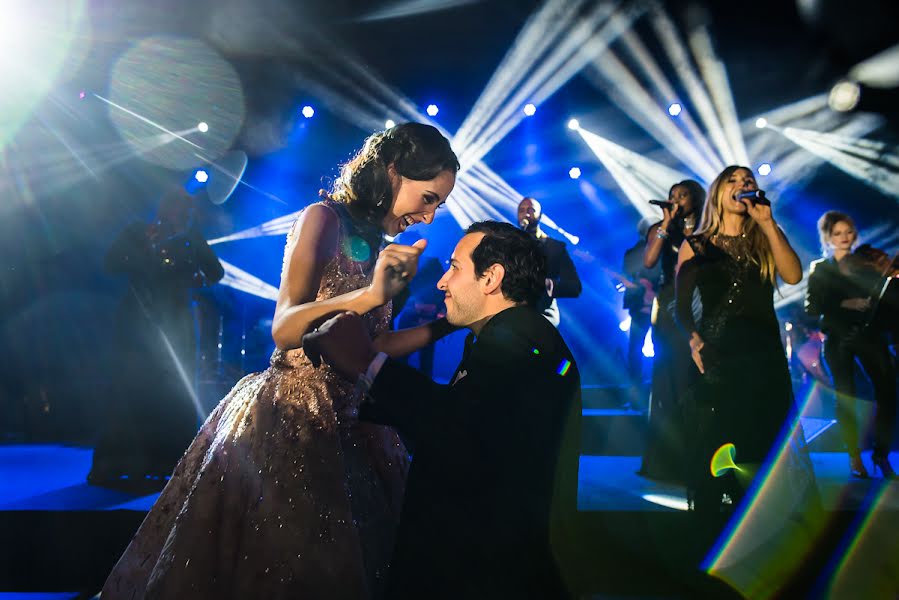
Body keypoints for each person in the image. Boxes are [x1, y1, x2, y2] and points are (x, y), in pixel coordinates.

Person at [101, 123, 460, 599]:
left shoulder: (376, 241)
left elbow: (376, 346)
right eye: (429, 198)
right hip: (293, 414)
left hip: (356, 417)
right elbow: (286, 326)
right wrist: (370, 293)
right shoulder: (323, 218)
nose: (431, 217)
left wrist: (453, 322)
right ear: (394, 172)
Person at [303, 221, 582, 599]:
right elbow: (473, 418)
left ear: (491, 278)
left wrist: (367, 364)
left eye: (454, 267)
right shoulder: (510, 333)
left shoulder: (518, 339)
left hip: (485, 572)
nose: (442, 282)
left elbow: (456, 431)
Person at [675, 166, 811, 515]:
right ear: (719, 192)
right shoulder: (696, 245)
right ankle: (716, 519)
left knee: (762, 433)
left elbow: (794, 275)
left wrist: (767, 222)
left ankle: (762, 516)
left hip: (762, 350)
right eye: (733, 181)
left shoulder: (765, 237)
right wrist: (693, 341)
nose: (742, 185)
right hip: (718, 350)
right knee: (721, 436)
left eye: (748, 181)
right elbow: (681, 306)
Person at [89, 188, 224, 484]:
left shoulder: (191, 240)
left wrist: (195, 279)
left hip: (175, 324)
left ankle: (165, 462)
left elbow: (216, 272)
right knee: (131, 389)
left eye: (188, 211)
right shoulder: (138, 231)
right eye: (179, 209)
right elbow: (110, 265)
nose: (184, 215)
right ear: (165, 209)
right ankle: (117, 464)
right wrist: (142, 249)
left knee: (172, 392)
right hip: (137, 322)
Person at [805, 211, 896, 478]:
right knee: (846, 395)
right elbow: (811, 306)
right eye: (837, 233)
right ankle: (854, 456)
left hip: (869, 334)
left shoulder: (865, 263)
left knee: (888, 392)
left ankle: (881, 454)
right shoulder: (821, 269)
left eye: (848, 232)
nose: (844, 238)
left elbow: (886, 300)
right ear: (828, 238)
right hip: (839, 337)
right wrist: (842, 304)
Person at [638, 180, 704, 481]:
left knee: (696, 377)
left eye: (683, 195)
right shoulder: (662, 229)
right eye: (672, 195)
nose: (676, 200)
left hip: (702, 301)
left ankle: (699, 454)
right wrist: (666, 223)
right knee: (669, 376)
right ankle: (668, 459)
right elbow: (650, 261)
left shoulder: (707, 225)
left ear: (696, 198)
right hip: (668, 305)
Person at [517, 197, 582, 326]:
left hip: (543, 317)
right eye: (522, 210)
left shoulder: (554, 247)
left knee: (535, 345)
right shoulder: (509, 245)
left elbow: (575, 286)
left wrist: (550, 285)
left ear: (540, 216)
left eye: (531, 210)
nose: (526, 214)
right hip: (516, 318)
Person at [621, 217, 660, 410]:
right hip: (642, 306)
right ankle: (640, 397)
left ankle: (646, 397)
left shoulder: (660, 250)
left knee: (638, 352)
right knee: (639, 352)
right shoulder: (633, 253)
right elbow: (624, 279)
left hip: (656, 306)